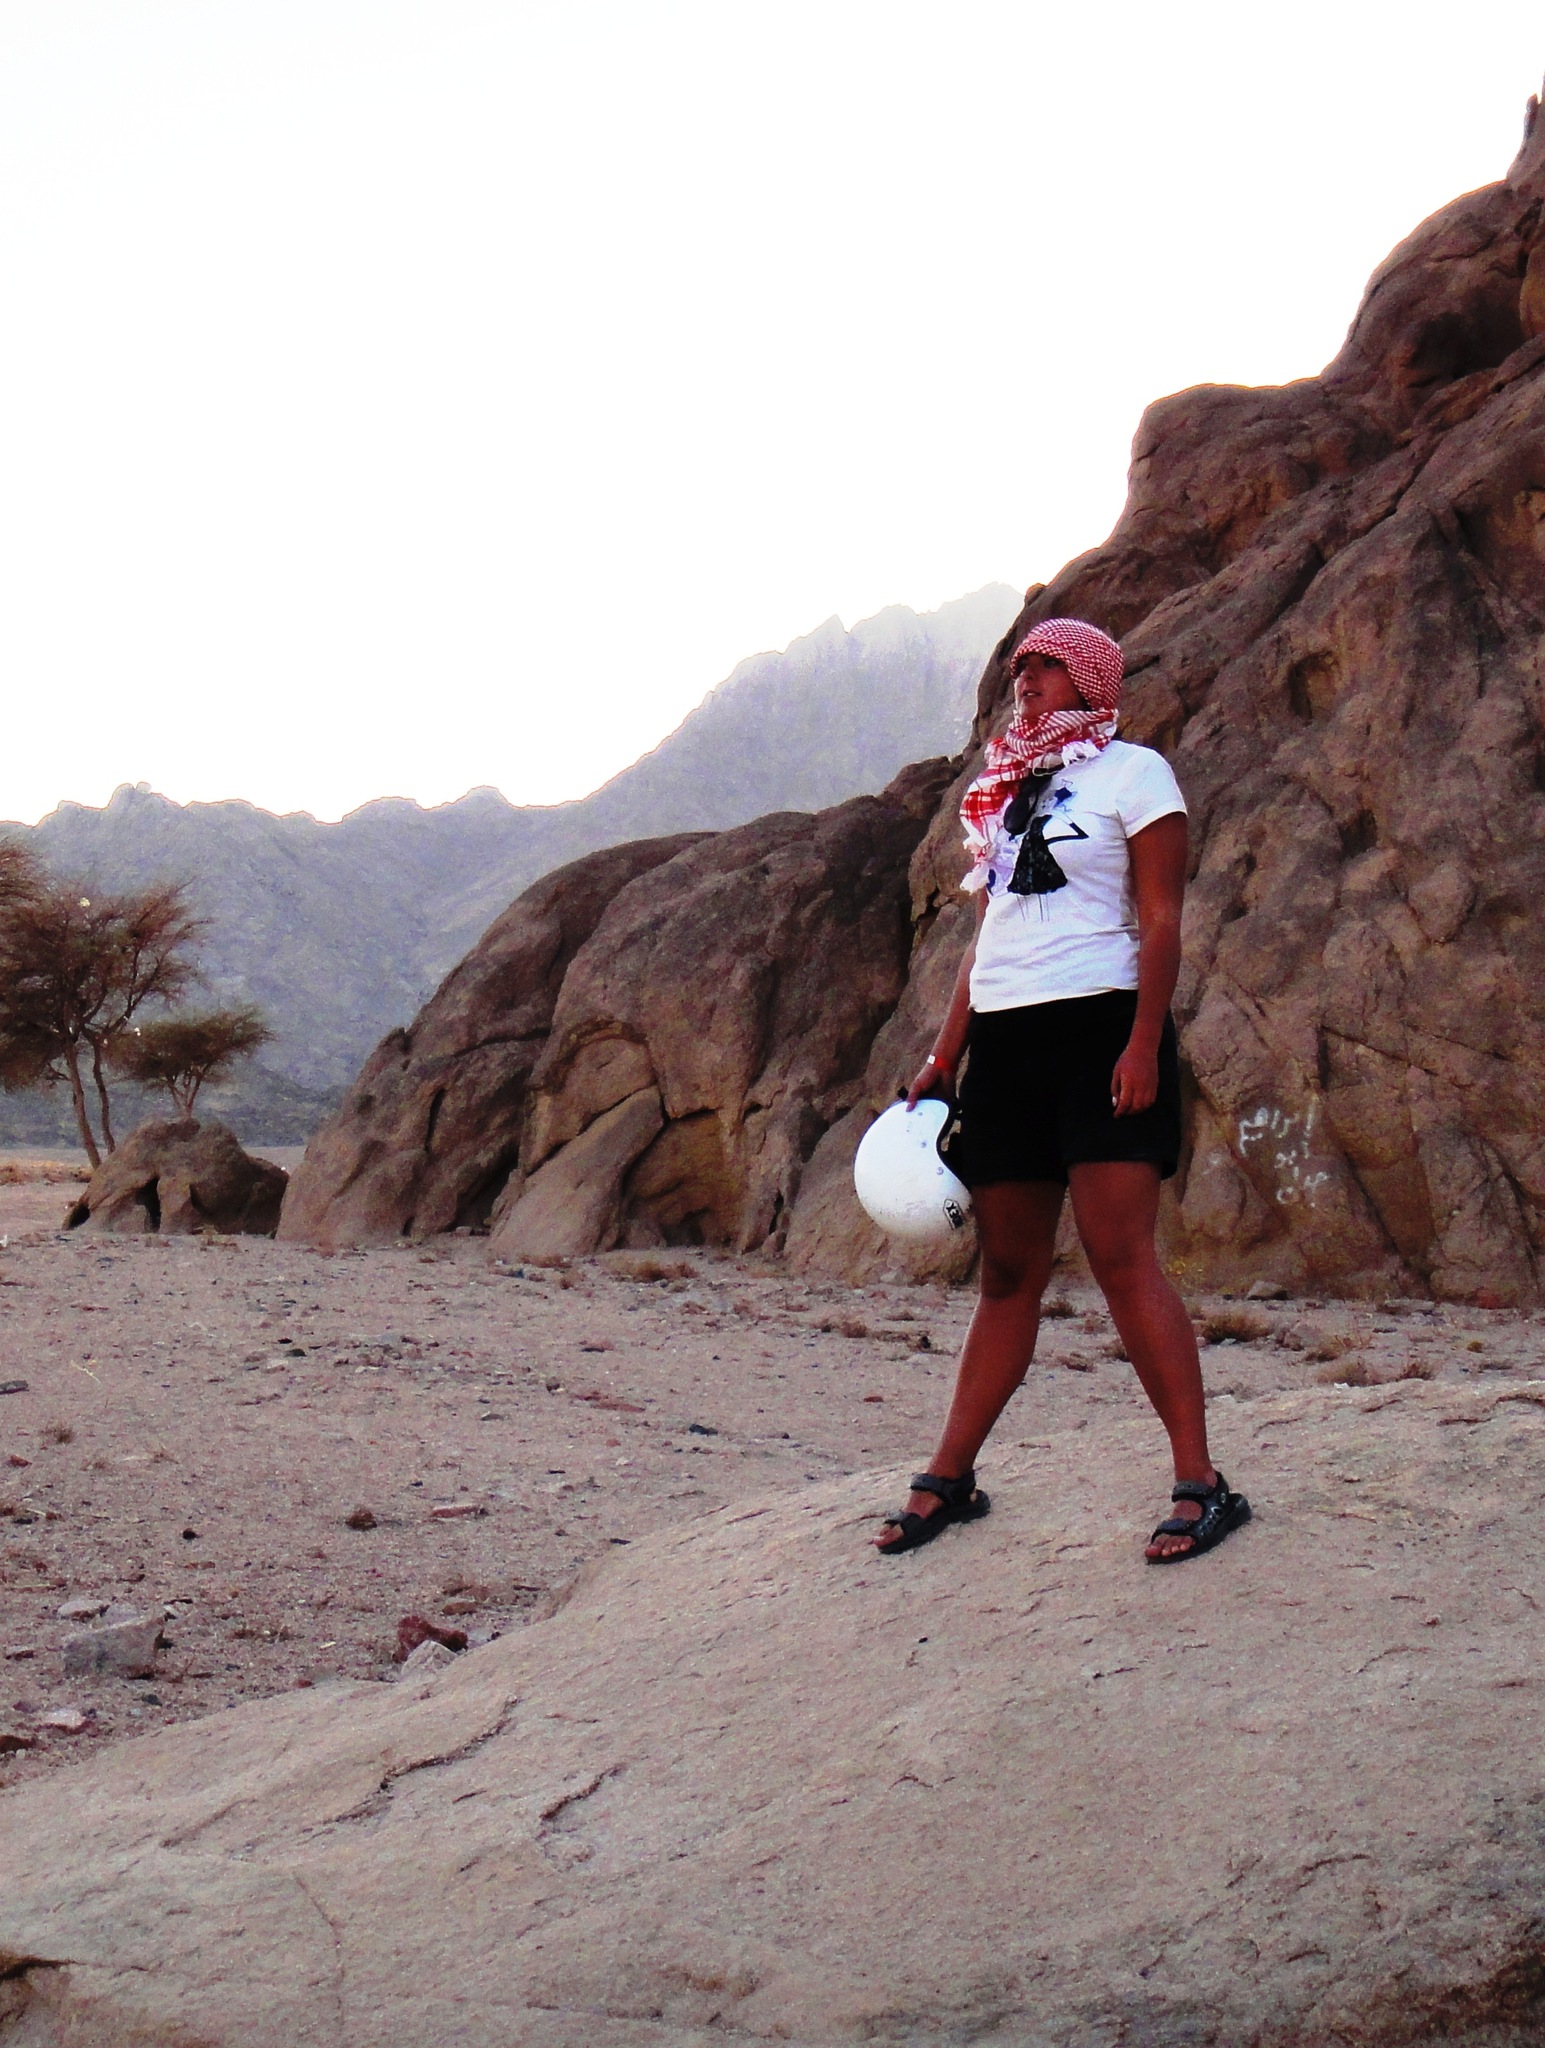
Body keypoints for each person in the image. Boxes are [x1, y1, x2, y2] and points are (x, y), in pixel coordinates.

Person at [874, 617, 1249, 1564]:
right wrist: (944, 1054)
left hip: (1100, 1028)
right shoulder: (1009, 783)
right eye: (1020, 667)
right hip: (1005, 1043)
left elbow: (1160, 920)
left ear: (1089, 678)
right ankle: (948, 1478)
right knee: (1006, 1272)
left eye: (1046, 665)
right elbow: (991, 932)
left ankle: (1199, 1482)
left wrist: (1140, 1044)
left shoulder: (1135, 773)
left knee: (1122, 1258)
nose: (1026, 678)